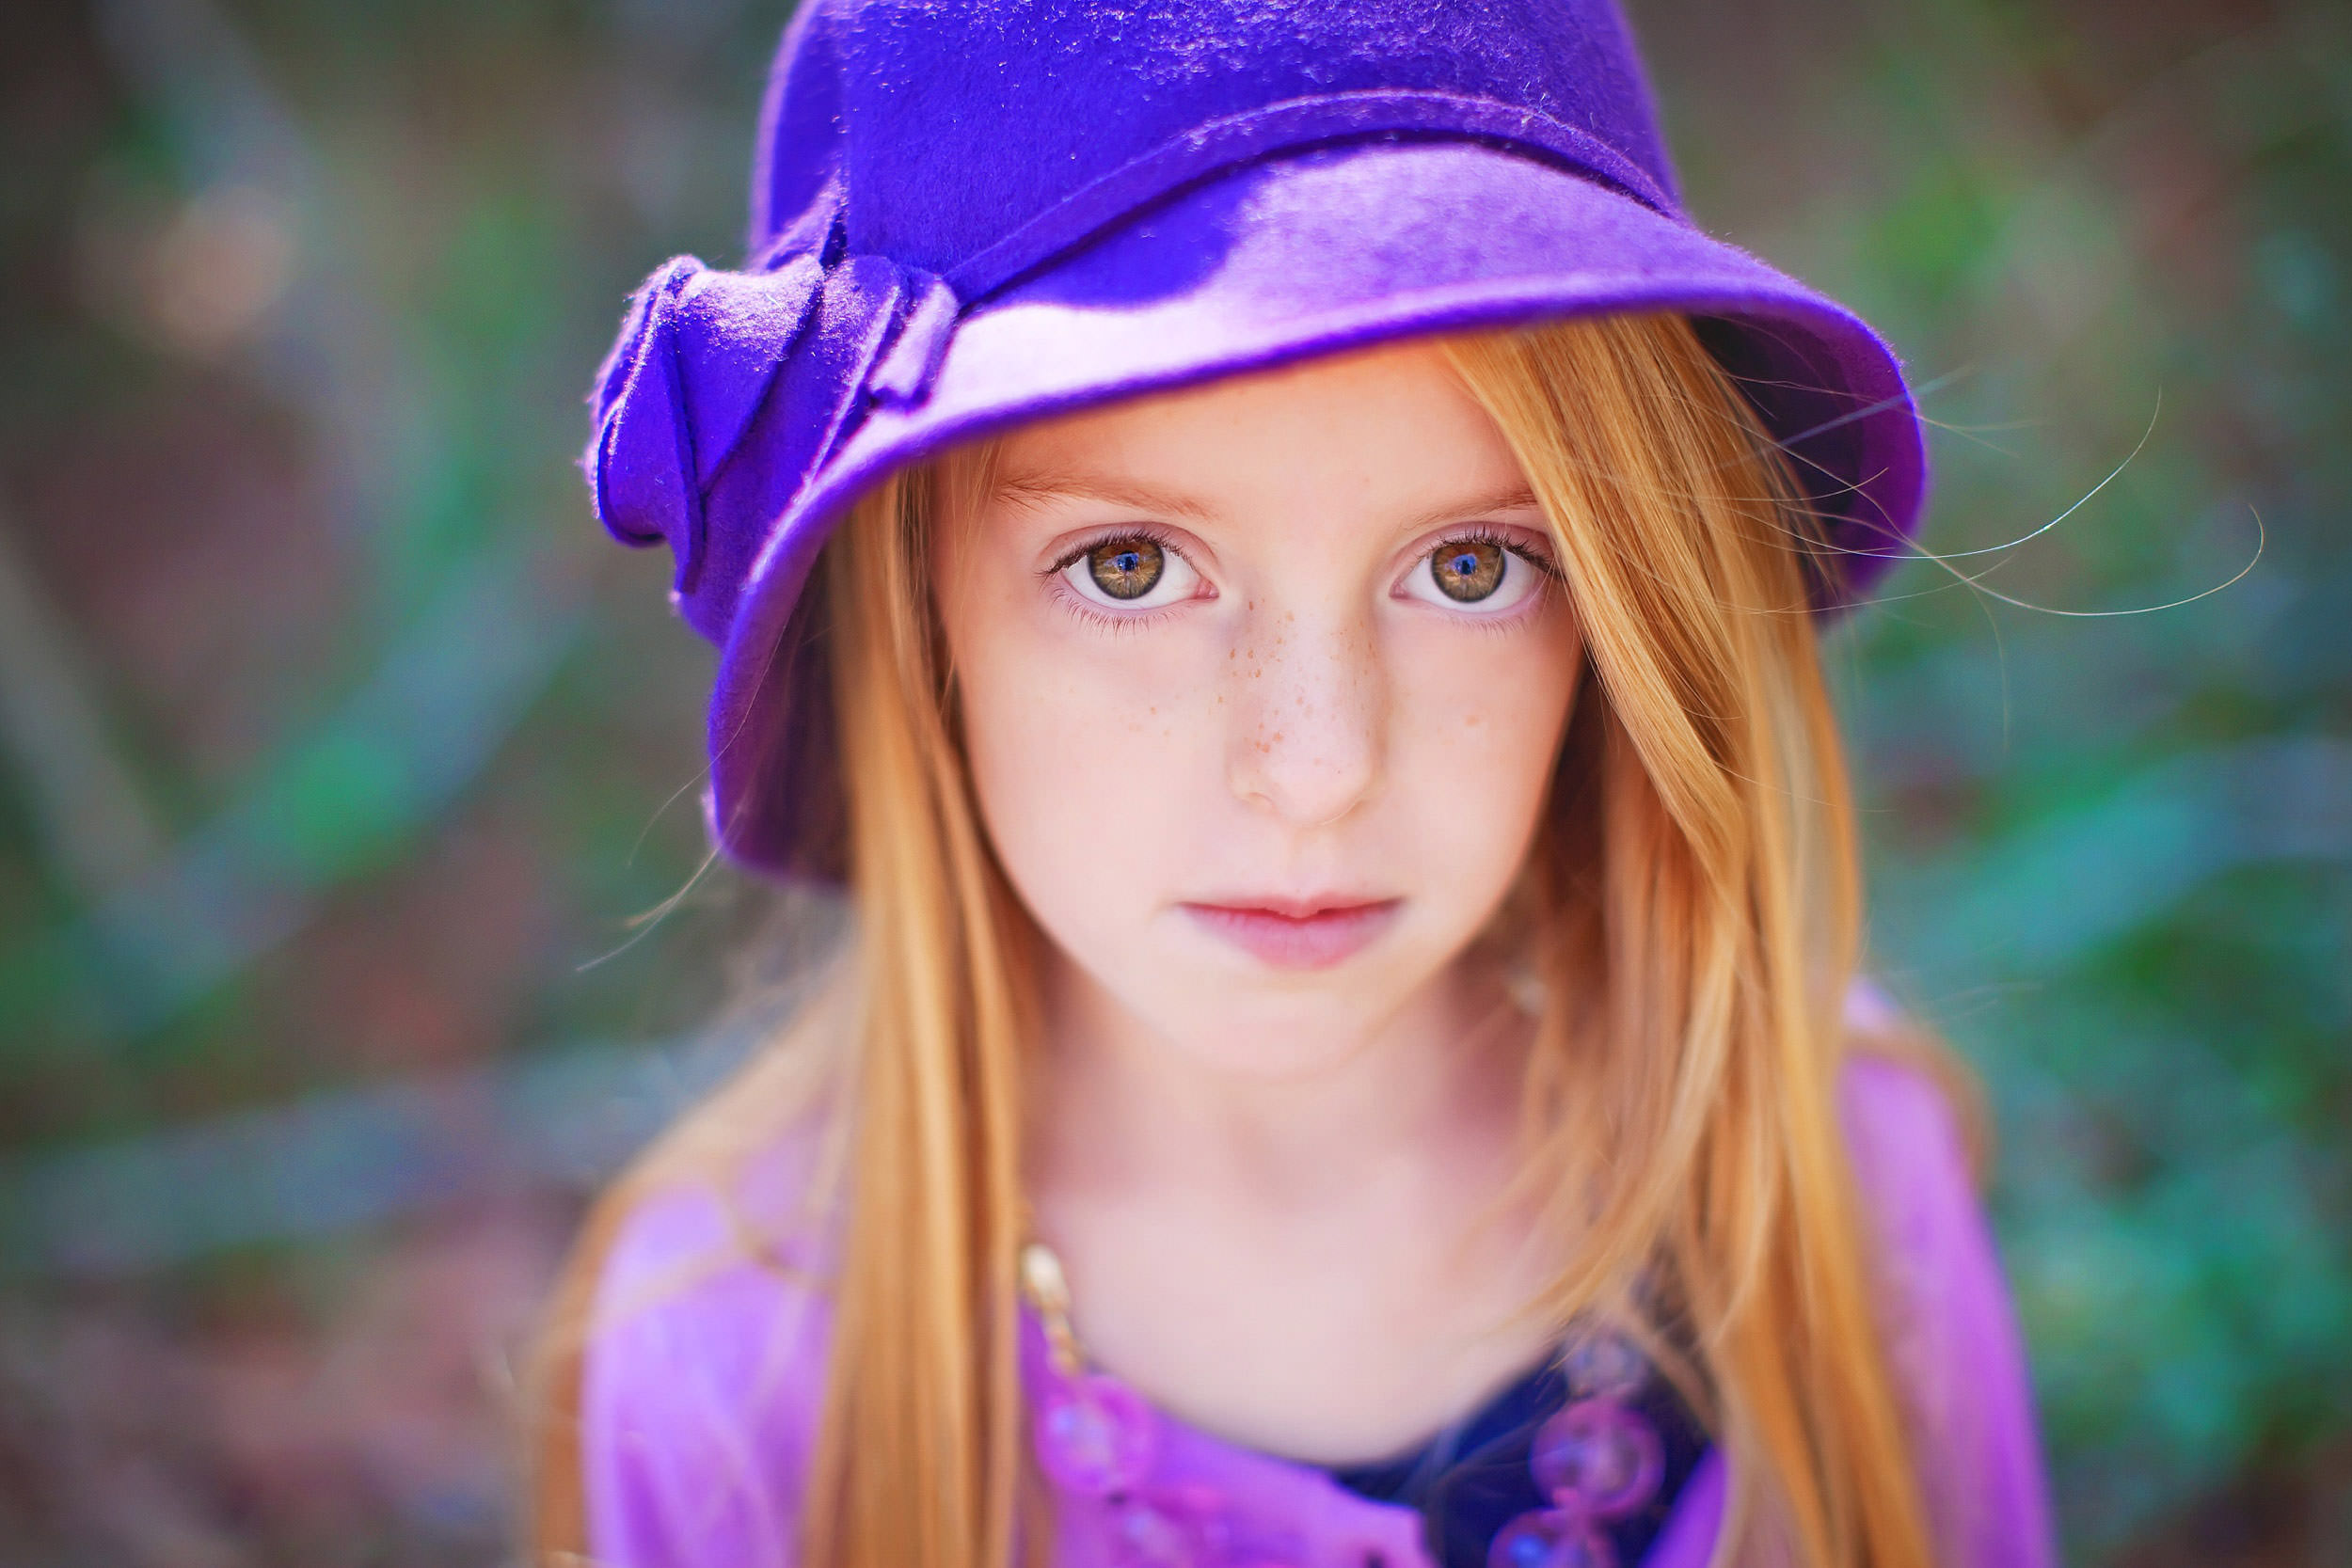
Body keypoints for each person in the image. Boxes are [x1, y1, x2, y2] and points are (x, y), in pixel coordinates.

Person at [531, 3, 2056, 1565]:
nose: (1319, 772)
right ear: (910, 622)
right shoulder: (742, 1385)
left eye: (1472, 567)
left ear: (1616, 604)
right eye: (1129, 567)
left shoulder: (1831, 1177)